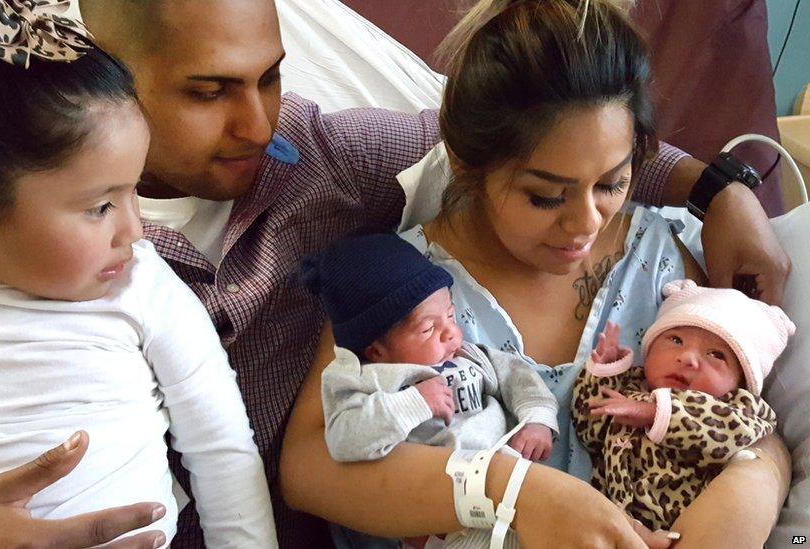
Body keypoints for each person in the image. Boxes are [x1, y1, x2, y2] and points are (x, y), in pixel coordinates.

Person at [0, 0, 791, 546]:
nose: (256, 122)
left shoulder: (317, 158)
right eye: (211, 92)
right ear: (104, 77)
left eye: (271, 76)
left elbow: (538, 138)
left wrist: (724, 185)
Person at [280, 1, 792, 548]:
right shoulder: (399, 284)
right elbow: (308, 467)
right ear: (466, 163)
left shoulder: (662, 261)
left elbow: (749, 424)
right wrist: (515, 493)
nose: (586, 223)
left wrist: (757, 476)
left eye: (613, 184)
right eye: (545, 196)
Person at [0, 1, 274, 548]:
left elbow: (224, 450)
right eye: (100, 207)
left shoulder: (142, 283)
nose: (136, 230)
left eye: (133, 190)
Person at [305, 232, 557, 548]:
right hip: (448, 518)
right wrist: (414, 402)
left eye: (450, 315)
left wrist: (537, 420)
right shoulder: (367, 379)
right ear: (377, 350)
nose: (451, 332)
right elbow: (343, 439)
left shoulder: (468, 354)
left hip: (517, 487)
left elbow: (517, 376)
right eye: (428, 329)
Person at [574, 283, 793, 531]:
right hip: (607, 521)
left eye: (716, 355)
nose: (688, 358)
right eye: (676, 340)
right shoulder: (630, 386)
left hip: (681, 529)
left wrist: (655, 413)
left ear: (740, 380)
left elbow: (732, 432)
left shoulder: (739, 407)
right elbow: (588, 433)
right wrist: (604, 373)